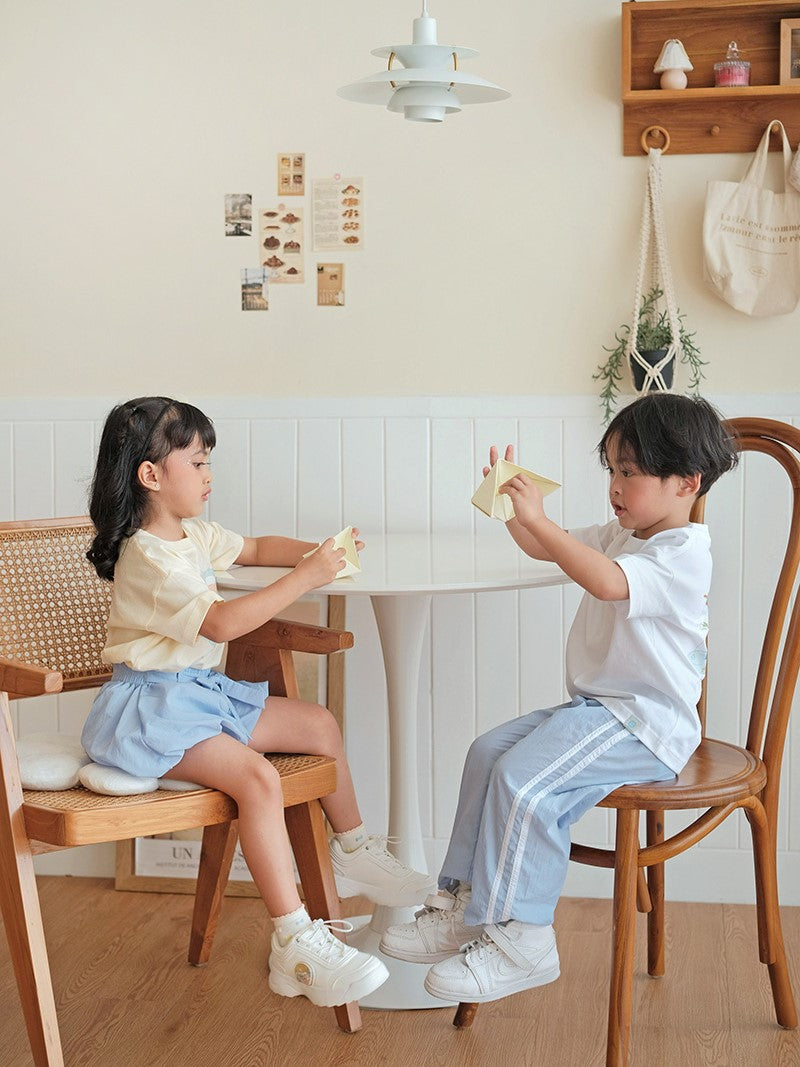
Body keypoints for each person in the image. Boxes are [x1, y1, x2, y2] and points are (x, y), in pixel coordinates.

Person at [380, 392, 738, 1005]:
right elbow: (548, 547)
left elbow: (603, 580)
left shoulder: (683, 554)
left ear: (686, 482)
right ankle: (466, 906)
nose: (615, 486)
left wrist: (540, 521)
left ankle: (525, 939)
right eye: (612, 470)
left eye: (630, 471)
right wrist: (517, 510)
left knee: (524, 779)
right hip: (600, 713)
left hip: (645, 726)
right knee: (488, 751)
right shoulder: (625, 534)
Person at [81, 396, 434, 1009]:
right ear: (152, 475)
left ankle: (352, 853)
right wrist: (305, 580)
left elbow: (254, 547)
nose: (209, 473)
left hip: (195, 698)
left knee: (318, 725)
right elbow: (220, 625)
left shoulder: (190, 535)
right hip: (150, 712)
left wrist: (318, 553)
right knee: (259, 781)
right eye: (198, 461)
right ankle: (293, 939)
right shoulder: (148, 558)